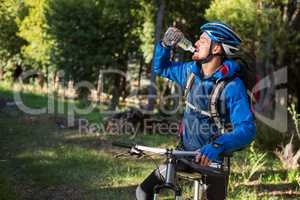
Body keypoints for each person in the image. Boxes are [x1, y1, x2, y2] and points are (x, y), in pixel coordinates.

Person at [136, 21, 256, 200]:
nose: (197, 43)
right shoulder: (189, 72)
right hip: (183, 155)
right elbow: (160, 68)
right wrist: (165, 45)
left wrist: (218, 145)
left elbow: (247, 129)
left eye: (203, 40)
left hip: (212, 161)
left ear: (216, 49)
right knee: (143, 191)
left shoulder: (232, 86)